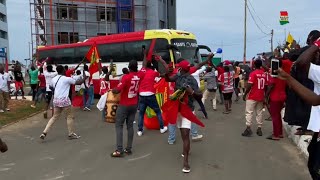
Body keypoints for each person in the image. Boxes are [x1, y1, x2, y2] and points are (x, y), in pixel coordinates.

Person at [164, 60, 203, 173]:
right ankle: (186, 150)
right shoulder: (178, 76)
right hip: (177, 110)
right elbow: (168, 79)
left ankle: (186, 162)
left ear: (181, 68)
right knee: (182, 134)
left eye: (179, 68)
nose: (178, 69)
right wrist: (167, 73)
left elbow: (199, 96)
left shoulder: (192, 80)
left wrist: (191, 92)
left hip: (187, 110)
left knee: (185, 135)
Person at [39, 65, 86, 140]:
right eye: (64, 69)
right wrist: (84, 78)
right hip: (64, 100)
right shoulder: (67, 79)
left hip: (56, 100)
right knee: (69, 116)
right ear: (63, 70)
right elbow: (79, 82)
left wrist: (56, 90)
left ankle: (44, 132)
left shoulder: (54, 79)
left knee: (54, 117)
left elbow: (51, 87)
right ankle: (71, 134)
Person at [111, 60, 142, 157]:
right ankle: (128, 149)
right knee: (130, 126)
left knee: (119, 126)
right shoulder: (139, 76)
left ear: (129, 67)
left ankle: (119, 150)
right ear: (136, 67)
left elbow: (117, 90)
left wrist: (113, 89)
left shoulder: (126, 77)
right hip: (134, 104)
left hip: (124, 104)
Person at [137, 52, 168, 136]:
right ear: (151, 66)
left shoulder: (141, 71)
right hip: (150, 95)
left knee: (141, 113)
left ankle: (140, 130)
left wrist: (144, 53)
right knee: (158, 111)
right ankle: (162, 128)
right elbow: (162, 74)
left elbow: (143, 65)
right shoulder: (153, 72)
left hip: (142, 95)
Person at [242, 59, 267, 137]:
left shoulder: (253, 73)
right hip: (261, 96)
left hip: (252, 96)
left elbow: (249, 85)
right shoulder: (263, 74)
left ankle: (248, 128)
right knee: (259, 112)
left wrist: (245, 94)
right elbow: (266, 86)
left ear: (254, 65)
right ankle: (259, 128)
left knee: (249, 112)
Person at [265, 59, 286, 140]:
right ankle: (280, 133)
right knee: (278, 115)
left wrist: (266, 96)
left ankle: (276, 134)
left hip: (275, 97)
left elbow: (271, 85)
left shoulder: (274, 74)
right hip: (282, 96)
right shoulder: (283, 73)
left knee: (274, 116)